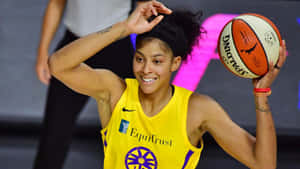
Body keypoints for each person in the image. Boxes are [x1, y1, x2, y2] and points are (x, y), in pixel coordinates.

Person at [48, 1, 287, 169]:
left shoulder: (198, 109)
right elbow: (58, 64)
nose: (146, 69)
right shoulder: (115, 91)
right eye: (140, 58)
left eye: (157, 61)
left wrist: (261, 96)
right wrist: (123, 28)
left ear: (175, 63)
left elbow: (264, 164)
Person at [33, 0, 151, 169]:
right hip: (75, 46)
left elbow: (144, 6)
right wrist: (42, 53)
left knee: (129, 135)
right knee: (54, 133)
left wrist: (145, 58)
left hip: (117, 47)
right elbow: (56, 3)